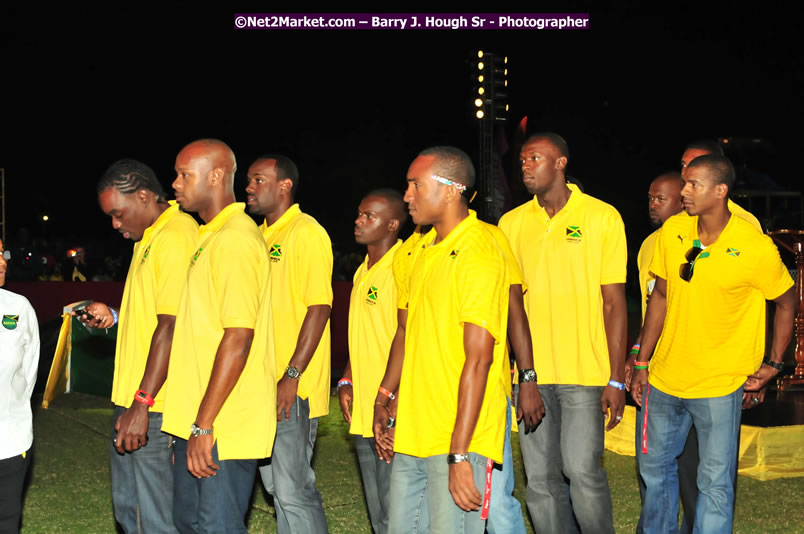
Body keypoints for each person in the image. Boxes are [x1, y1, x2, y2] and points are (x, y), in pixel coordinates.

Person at [632, 154, 795, 534]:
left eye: (694, 185)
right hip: (665, 379)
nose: (685, 192)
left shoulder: (753, 245)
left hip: (720, 385)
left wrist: (774, 363)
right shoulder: (673, 230)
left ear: (720, 191)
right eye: (684, 183)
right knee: (654, 471)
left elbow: (787, 302)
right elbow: (660, 297)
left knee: (715, 483)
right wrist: (641, 360)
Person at [374, 146, 510, 534]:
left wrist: (460, 453)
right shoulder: (422, 253)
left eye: (416, 185)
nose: (407, 196)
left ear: (451, 189)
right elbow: (411, 336)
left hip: (458, 437)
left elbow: (479, 360)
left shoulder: (478, 250)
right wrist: (387, 399)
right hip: (414, 431)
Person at [498, 132, 627, 534]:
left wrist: (616, 377)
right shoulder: (511, 224)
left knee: (581, 470)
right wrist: (525, 376)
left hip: (586, 373)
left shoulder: (602, 217)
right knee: (539, 480)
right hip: (533, 376)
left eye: (535, 158)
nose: (525, 165)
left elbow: (614, 303)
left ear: (560, 163)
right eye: (522, 159)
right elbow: (511, 305)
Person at [162, 139, 276, 533]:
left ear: (214, 177)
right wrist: (187, 425)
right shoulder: (210, 235)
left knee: (216, 526)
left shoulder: (235, 239)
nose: (175, 184)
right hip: (197, 418)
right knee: (189, 522)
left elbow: (238, 337)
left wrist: (204, 425)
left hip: (223, 423)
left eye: (184, 175)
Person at [79, 159, 197, 534]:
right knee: (130, 511)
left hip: (154, 404)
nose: (115, 224)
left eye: (118, 213)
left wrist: (143, 403)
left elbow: (172, 325)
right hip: (133, 399)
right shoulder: (150, 237)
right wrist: (114, 316)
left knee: (154, 519)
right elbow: (154, 313)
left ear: (144, 197)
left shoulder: (176, 235)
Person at [246, 154, 331, 534]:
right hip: (257, 384)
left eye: (258, 180)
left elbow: (319, 308)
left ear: (284, 186)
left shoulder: (305, 232)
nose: (249, 187)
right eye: (249, 180)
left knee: (292, 489)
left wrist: (292, 374)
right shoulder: (256, 236)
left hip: (291, 387)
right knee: (277, 487)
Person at [338, 189, 406, 534]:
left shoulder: (402, 267)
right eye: (359, 213)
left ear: (392, 224)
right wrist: (347, 379)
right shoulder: (362, 271)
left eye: (369, 216)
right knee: (379, 511)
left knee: (398, 512)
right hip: (365, 410)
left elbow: (411, 339)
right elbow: (363, 335)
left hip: (391, 409)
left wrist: (394, 402)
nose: (358, 221)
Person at [624, 171, 684, 534]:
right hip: (654, 366)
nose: (652, 205)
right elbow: (651, 309)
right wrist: (636, 353)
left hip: (693, 368)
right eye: (650, 198)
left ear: (683, 201)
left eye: (661, 198)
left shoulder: (696, 243)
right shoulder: (649, 245)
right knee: (652, 460)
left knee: (691, 467)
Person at [0, 238, 40, 534]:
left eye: (2, 253)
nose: (2, 261)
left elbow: (30, 370)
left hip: (11, 439)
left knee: (7, 518)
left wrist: (12, 410)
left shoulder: (18, 307)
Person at [681, 139, 762, 233]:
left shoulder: (745, 224)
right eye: (684, 165)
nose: (684, 173)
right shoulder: (676, 220)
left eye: (696, 165)